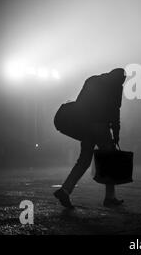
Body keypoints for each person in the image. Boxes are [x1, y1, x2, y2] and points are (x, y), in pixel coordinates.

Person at [54, 68, 126, 208]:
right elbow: (115, 111)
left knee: (84, 160)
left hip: (86, 127)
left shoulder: (92, 80)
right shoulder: (116, 86)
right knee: (110, 160)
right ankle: (110, 198)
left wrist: (84, 125)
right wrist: (116, 133)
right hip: (101, 127)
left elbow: (80, 103)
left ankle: (65, 190)